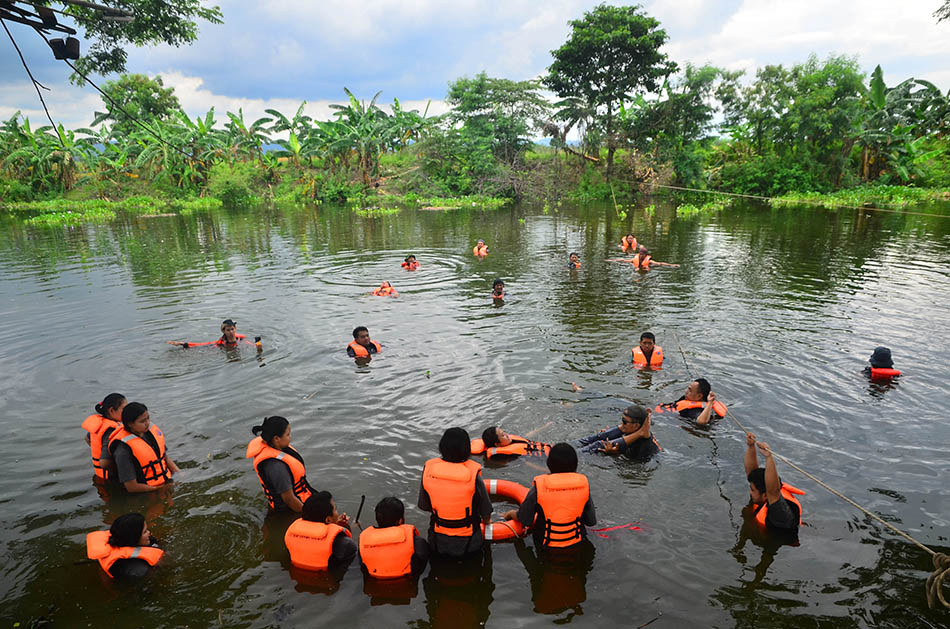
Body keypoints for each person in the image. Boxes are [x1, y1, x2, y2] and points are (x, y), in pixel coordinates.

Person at [418, 427, 492, 558]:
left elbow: (424, 505)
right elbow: (485, 511)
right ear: (466, 449)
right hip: (470, 542)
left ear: (442, 447)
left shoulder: (429, 470)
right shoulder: (473, 475)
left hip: (437, 540)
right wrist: (487, 522)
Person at [503, 443, 596, 548]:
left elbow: (525, 520)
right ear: (576, 465)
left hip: (545, 545)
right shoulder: (583, 486)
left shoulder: (539, 488)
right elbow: (591, 521)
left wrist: (511, 514)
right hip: (578, 542)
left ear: (548, 464)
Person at [245, 416, 313, 512]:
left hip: (302, 495)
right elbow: (289, 500)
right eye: (287, 434)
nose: (290, 437)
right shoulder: (276, 467)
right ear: (276, 439)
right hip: (289, 509)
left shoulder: (275, 447)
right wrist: (309, 515)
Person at [108, 402, 178, 493]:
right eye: (142, 421)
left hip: (165, 482)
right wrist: (160, 489)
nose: (147, 423)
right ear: (130, 424)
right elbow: (131, 487)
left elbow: (164, 457)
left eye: (148, 418)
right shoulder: (123, 450)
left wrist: (179, 473)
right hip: (146, 491)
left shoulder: (149, 433)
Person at [744, 433, 803, 534]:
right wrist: (751, 446)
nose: (750, 492)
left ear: (765, 495)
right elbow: (752, 474)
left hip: (784, 534)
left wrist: (769, 457)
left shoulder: (780, 513)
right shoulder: (762, 494)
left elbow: (773, 492)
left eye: (752, 490)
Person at [359, 496, 430, 579]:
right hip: (406, 582)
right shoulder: (418, 543)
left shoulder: (364, 545)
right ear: (400, 520)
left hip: (374, 582)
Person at [285, 491, 357, 571]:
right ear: (328, 519)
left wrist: (335, 524)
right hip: (327, 577)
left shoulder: (291, 535)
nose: (337, 512)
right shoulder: (346, 544)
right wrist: (351, 529)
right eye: (335, 509)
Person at [86, 513, 163, 580]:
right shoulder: (137, 570)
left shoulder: (120, 538)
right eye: (145, 532)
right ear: (134, 538)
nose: (149, 533)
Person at [576, 405, 661, 462]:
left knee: (599, 445)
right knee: (602, 436)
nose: (621, 424)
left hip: (635, 464)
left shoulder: (641, 443)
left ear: (636, 426)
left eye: (624, 422)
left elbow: (630, 463)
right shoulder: (635, 430)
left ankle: (571, 455)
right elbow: (602, 437)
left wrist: (614, 455)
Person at [81, 393, 127, 482]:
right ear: (111, 410)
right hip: (112, 477)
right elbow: (104, 463)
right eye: (124, 409)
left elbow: (87, 438)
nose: (127, 412)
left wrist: (99, 450)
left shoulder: (101, 424)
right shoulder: (111, 430)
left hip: (101, 475)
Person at [655, 378, 727, 425]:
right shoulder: (688, 398)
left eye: (690, 390)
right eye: (688, 388)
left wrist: (710, 403)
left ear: (699, 396)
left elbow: (701, 422)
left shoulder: (695, 411)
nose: (686, 392)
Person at [167, 318, 257, 348]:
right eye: (228, 330)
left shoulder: (241, 339)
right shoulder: (220, 343)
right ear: (223, 331)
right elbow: (202, 344)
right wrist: (183, 344)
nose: (231, 332)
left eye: (232, 329)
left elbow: (253, 346)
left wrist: (258, 346)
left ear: (235, 329)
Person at [479, 426, 552, 459]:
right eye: (503, 435)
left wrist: (545, 426)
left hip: (548, 449)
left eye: (504, 432)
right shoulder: (512, 455)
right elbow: (528, 463)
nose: (507, 435)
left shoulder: (510, 440)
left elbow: (525, 437)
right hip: (546, 456)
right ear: (497, 444)